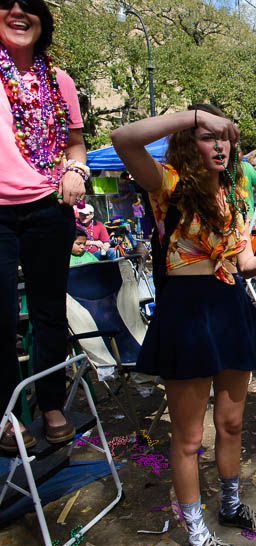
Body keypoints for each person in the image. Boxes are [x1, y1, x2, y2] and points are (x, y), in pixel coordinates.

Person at [111, 104, 256, 546]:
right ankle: (196, 533)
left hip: (229, 305)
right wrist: (194, 115)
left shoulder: (235, 191)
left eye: (223, 136)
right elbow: (123, 138)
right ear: (188, 141)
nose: (220, 144)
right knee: (187, 438)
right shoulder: (167, 183)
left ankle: (229, 504)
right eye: (208, 136)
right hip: (187, 311)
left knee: (231, 423)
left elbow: (242, 262)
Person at [0, 0, 86, 452]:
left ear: (42, 18)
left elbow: (76, 145)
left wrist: (76, 172)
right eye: (6, 3)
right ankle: (6, 416)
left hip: (48, 206)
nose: (17, 11)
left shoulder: (60, 81)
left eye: (28, 4)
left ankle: (51, 403)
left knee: (49, 314)